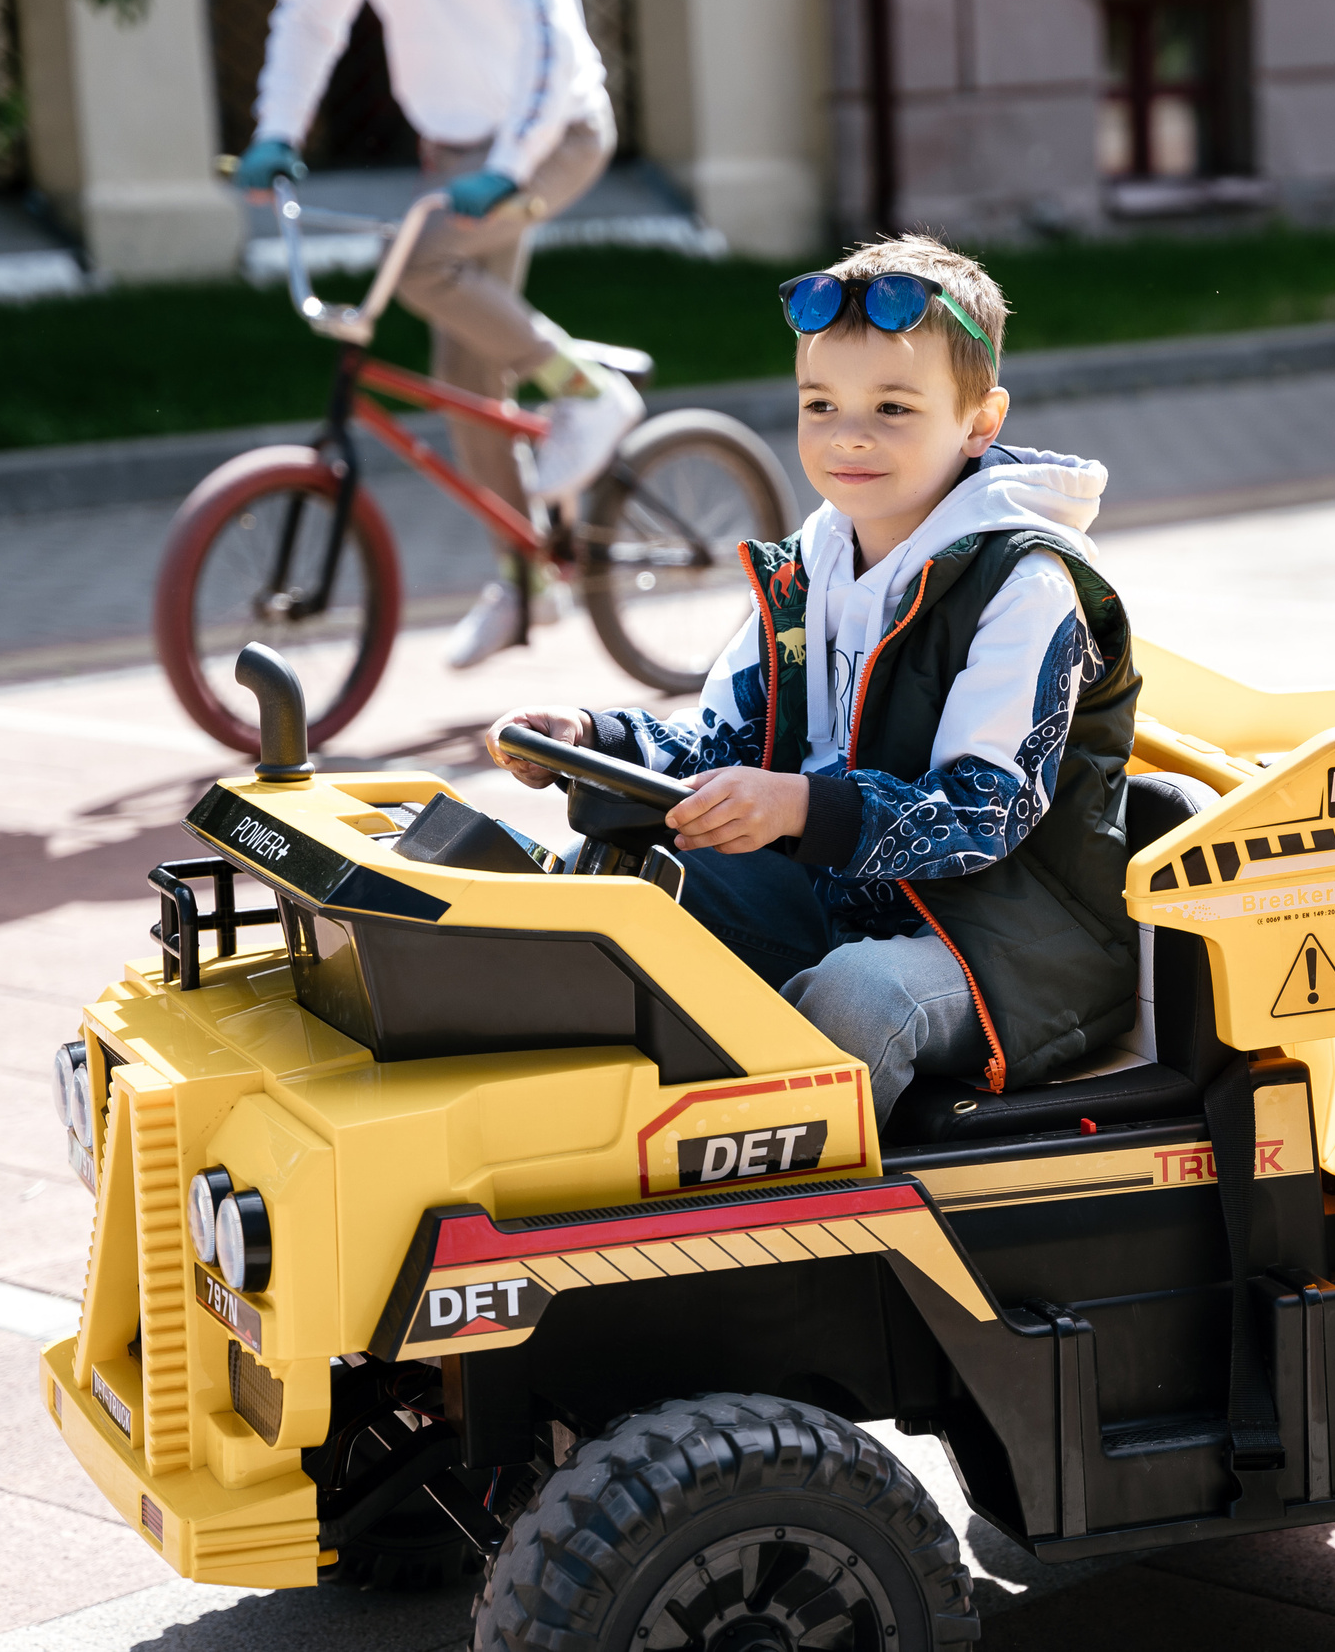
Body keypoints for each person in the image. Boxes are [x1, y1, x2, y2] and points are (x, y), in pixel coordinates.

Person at [485, 236, 1138, 1129]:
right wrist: (598, 738)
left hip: (1006, 941)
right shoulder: (813, 563)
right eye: (820, 404)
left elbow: (982, 813)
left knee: (859, 996)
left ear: (980, 422)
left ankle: (774, 1199)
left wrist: (798, 806)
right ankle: (568, 1133)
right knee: (614, 899)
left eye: (893, 408)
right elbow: (726, 747)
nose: (848, 435)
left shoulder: (1026, 584)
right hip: (845, 894)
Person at [233, 0, 646, 670]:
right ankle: (527, 580)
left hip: (554, 132)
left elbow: (550, 37)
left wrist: (509, 168)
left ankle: (588, 391)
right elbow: (310, 14)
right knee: (465, 376)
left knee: (421, 266)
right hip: (456, 151)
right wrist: (277, 130)